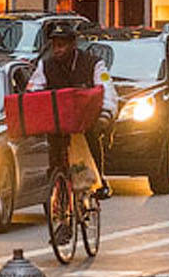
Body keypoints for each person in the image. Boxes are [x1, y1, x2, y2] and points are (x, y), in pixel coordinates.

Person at [28, 19, 118, 200]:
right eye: (54, 45)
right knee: (54, 154)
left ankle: (99, 180)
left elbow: (107, 88)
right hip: (58, 122)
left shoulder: (95, 64)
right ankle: (57, 189)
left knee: (92, 137)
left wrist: (106, 114)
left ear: (72, 45)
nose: (57, 49)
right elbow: (33, 90)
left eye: (62, 45)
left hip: (84, 122)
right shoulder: (45, 66)